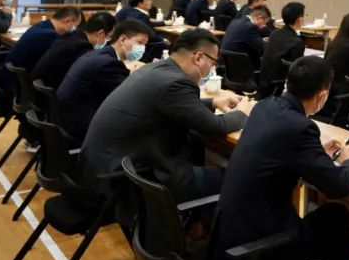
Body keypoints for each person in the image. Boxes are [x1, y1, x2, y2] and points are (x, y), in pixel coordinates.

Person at [209, 56, 349, 260]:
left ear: (287, 84)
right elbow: (339, 186)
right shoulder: (300, 127)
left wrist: (315, 155)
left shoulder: (264, 107)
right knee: (338, 225)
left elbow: (280, 153)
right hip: (259, 248)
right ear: (322, 96)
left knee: (333, 218)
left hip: (229, 236)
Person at [80, 29, 254, 202]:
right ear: (198, 58)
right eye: (213, 62)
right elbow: (215, 127)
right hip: (127, 180)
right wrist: (242, 112)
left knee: (195, 141)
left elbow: (169, 103)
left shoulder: (155, 69)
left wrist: (213, 102)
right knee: (239, 177)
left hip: (106, 165)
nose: (212, 68)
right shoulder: (176, 83)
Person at [57, 19, 153, 141]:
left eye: (144, 45)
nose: (142, 48)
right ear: (122, 39)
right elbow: (128, 98)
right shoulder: (108, 64)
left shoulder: (100, 54)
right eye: (140, 43)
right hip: (82, 126)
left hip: (69, 118)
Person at [0, 6, 82, 102]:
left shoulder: (42, 25)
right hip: (17, 88)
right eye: (75, 27)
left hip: (11, 82)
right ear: (67, 22)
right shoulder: (49, 36)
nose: (74, 30)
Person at [32, 11, 117, 90]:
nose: (109, 41)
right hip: (52, 92)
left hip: (41, 88)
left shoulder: (72, 36)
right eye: (109, 37)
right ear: (101, 33)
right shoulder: (82, 47)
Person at [257, 2, 307, 98]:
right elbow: (296, 72)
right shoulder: (297, 42)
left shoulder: (274, 33)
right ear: (299, 20)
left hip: (264, 82)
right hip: (278, 85)